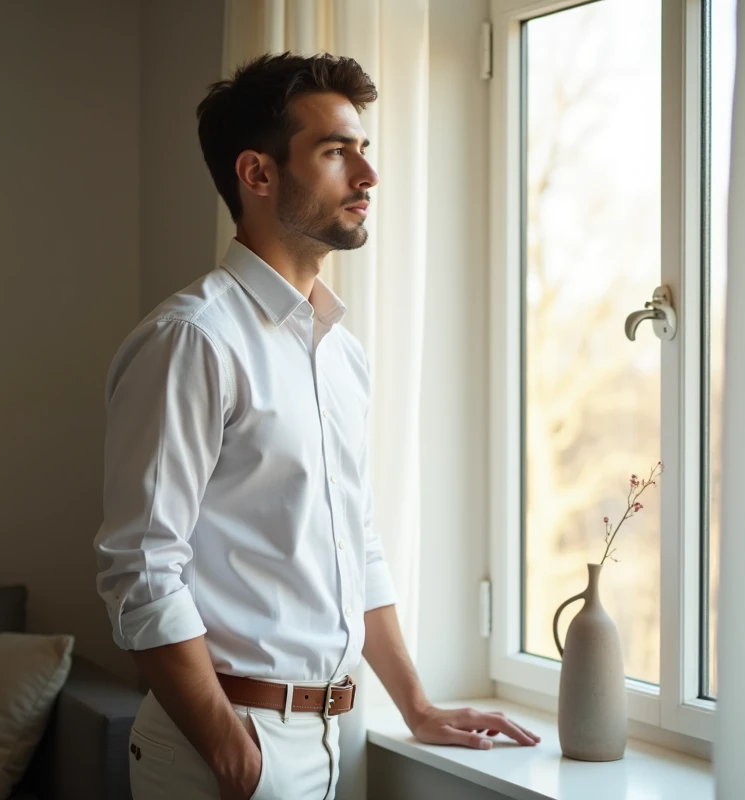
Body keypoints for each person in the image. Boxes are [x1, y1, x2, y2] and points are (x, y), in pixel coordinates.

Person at [93, 51, 540, 800]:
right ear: (258, 173)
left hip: (333, 739)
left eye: (363, 149)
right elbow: (140, 568)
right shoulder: (193, 339)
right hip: (225, 746)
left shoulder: (341, 354)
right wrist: (232, 753)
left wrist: (417, 706)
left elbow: (355, 545)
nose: (368, 175)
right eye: (336, 152)